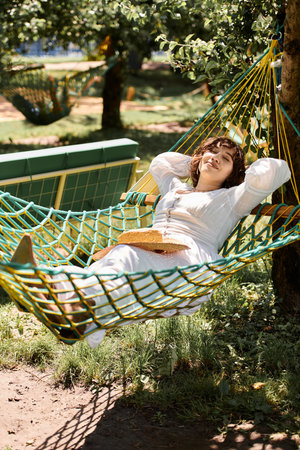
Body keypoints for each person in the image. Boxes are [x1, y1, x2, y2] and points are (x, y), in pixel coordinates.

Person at [11, 136, 291, 347]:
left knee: (126, 259)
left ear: (233, 174)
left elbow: (277, 170)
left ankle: (50, 291)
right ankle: (60, 306)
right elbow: (161, 162)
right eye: (212, 151)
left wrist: (243, 171)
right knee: (118, 257)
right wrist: (196, 161)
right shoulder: (176, 188)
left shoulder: (232, 199)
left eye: (226, 159)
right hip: (147, 246)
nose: (216, 157)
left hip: (189, 265)